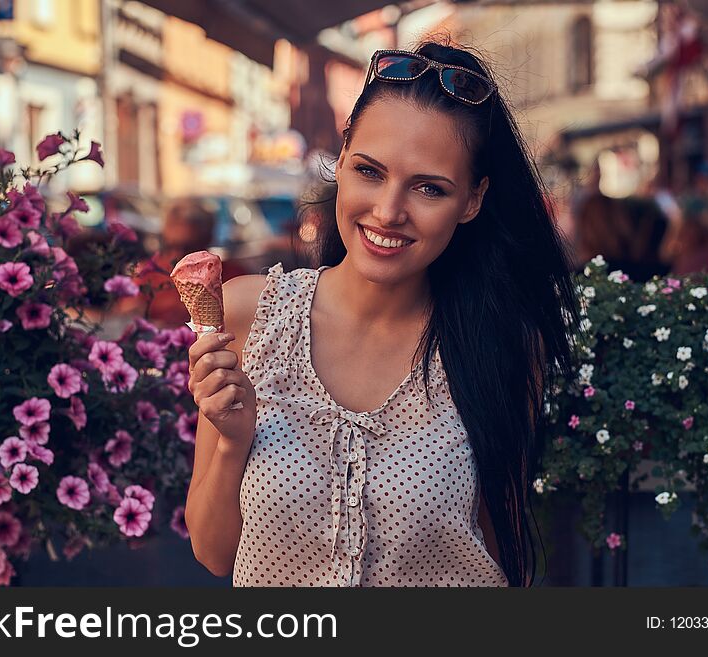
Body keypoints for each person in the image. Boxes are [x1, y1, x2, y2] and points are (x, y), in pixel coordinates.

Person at [184, 39, 580, 587]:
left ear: (472, 199)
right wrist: (233, 440)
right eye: (370, 171)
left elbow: (502, 547)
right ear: (341, 160)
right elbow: (212, 552)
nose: (389, 212)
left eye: (428, 188)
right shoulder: (249, 314)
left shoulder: (503, 341)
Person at [118, 199, 246, 328]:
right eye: (173, 247)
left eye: (189, 249)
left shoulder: (233, 275)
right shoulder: (146, 273)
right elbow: (127, 314)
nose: (180, 257)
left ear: (208, 239)